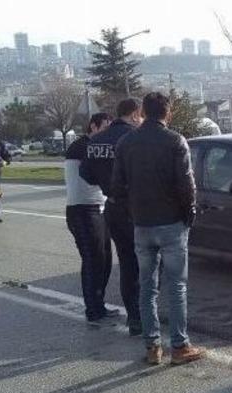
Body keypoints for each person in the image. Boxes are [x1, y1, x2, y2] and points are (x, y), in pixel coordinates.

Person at [112, 92, 203, 365]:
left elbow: (117, 187)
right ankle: (179, 345)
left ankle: (152, 347)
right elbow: (186, 184)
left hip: (142, 223)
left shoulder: (126, 142)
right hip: (172, 223)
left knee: (147, 287)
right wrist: (190, 213)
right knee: (176, 286)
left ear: (143, 112)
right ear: (167, 112)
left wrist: (133, 211)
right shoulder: (175, 141)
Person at [80, 98, 143, 334]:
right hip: (137, 207)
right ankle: (144, 314)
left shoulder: (95, 141)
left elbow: (86, 174)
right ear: (136, 114)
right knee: (147, 263)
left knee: (127, 263)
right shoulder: (134, 138)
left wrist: (107, 183)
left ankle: (134, 317)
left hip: (113, 208)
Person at [65, 112, 121, 324]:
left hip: (98, 207)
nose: (107, 133)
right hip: (82, 210)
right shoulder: (82, 147)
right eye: (104, 128)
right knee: (92, 260)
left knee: (105, 259)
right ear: (93, 126)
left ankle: (99, 303)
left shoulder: (93, 146)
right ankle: (92, 309)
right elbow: (93, 173)